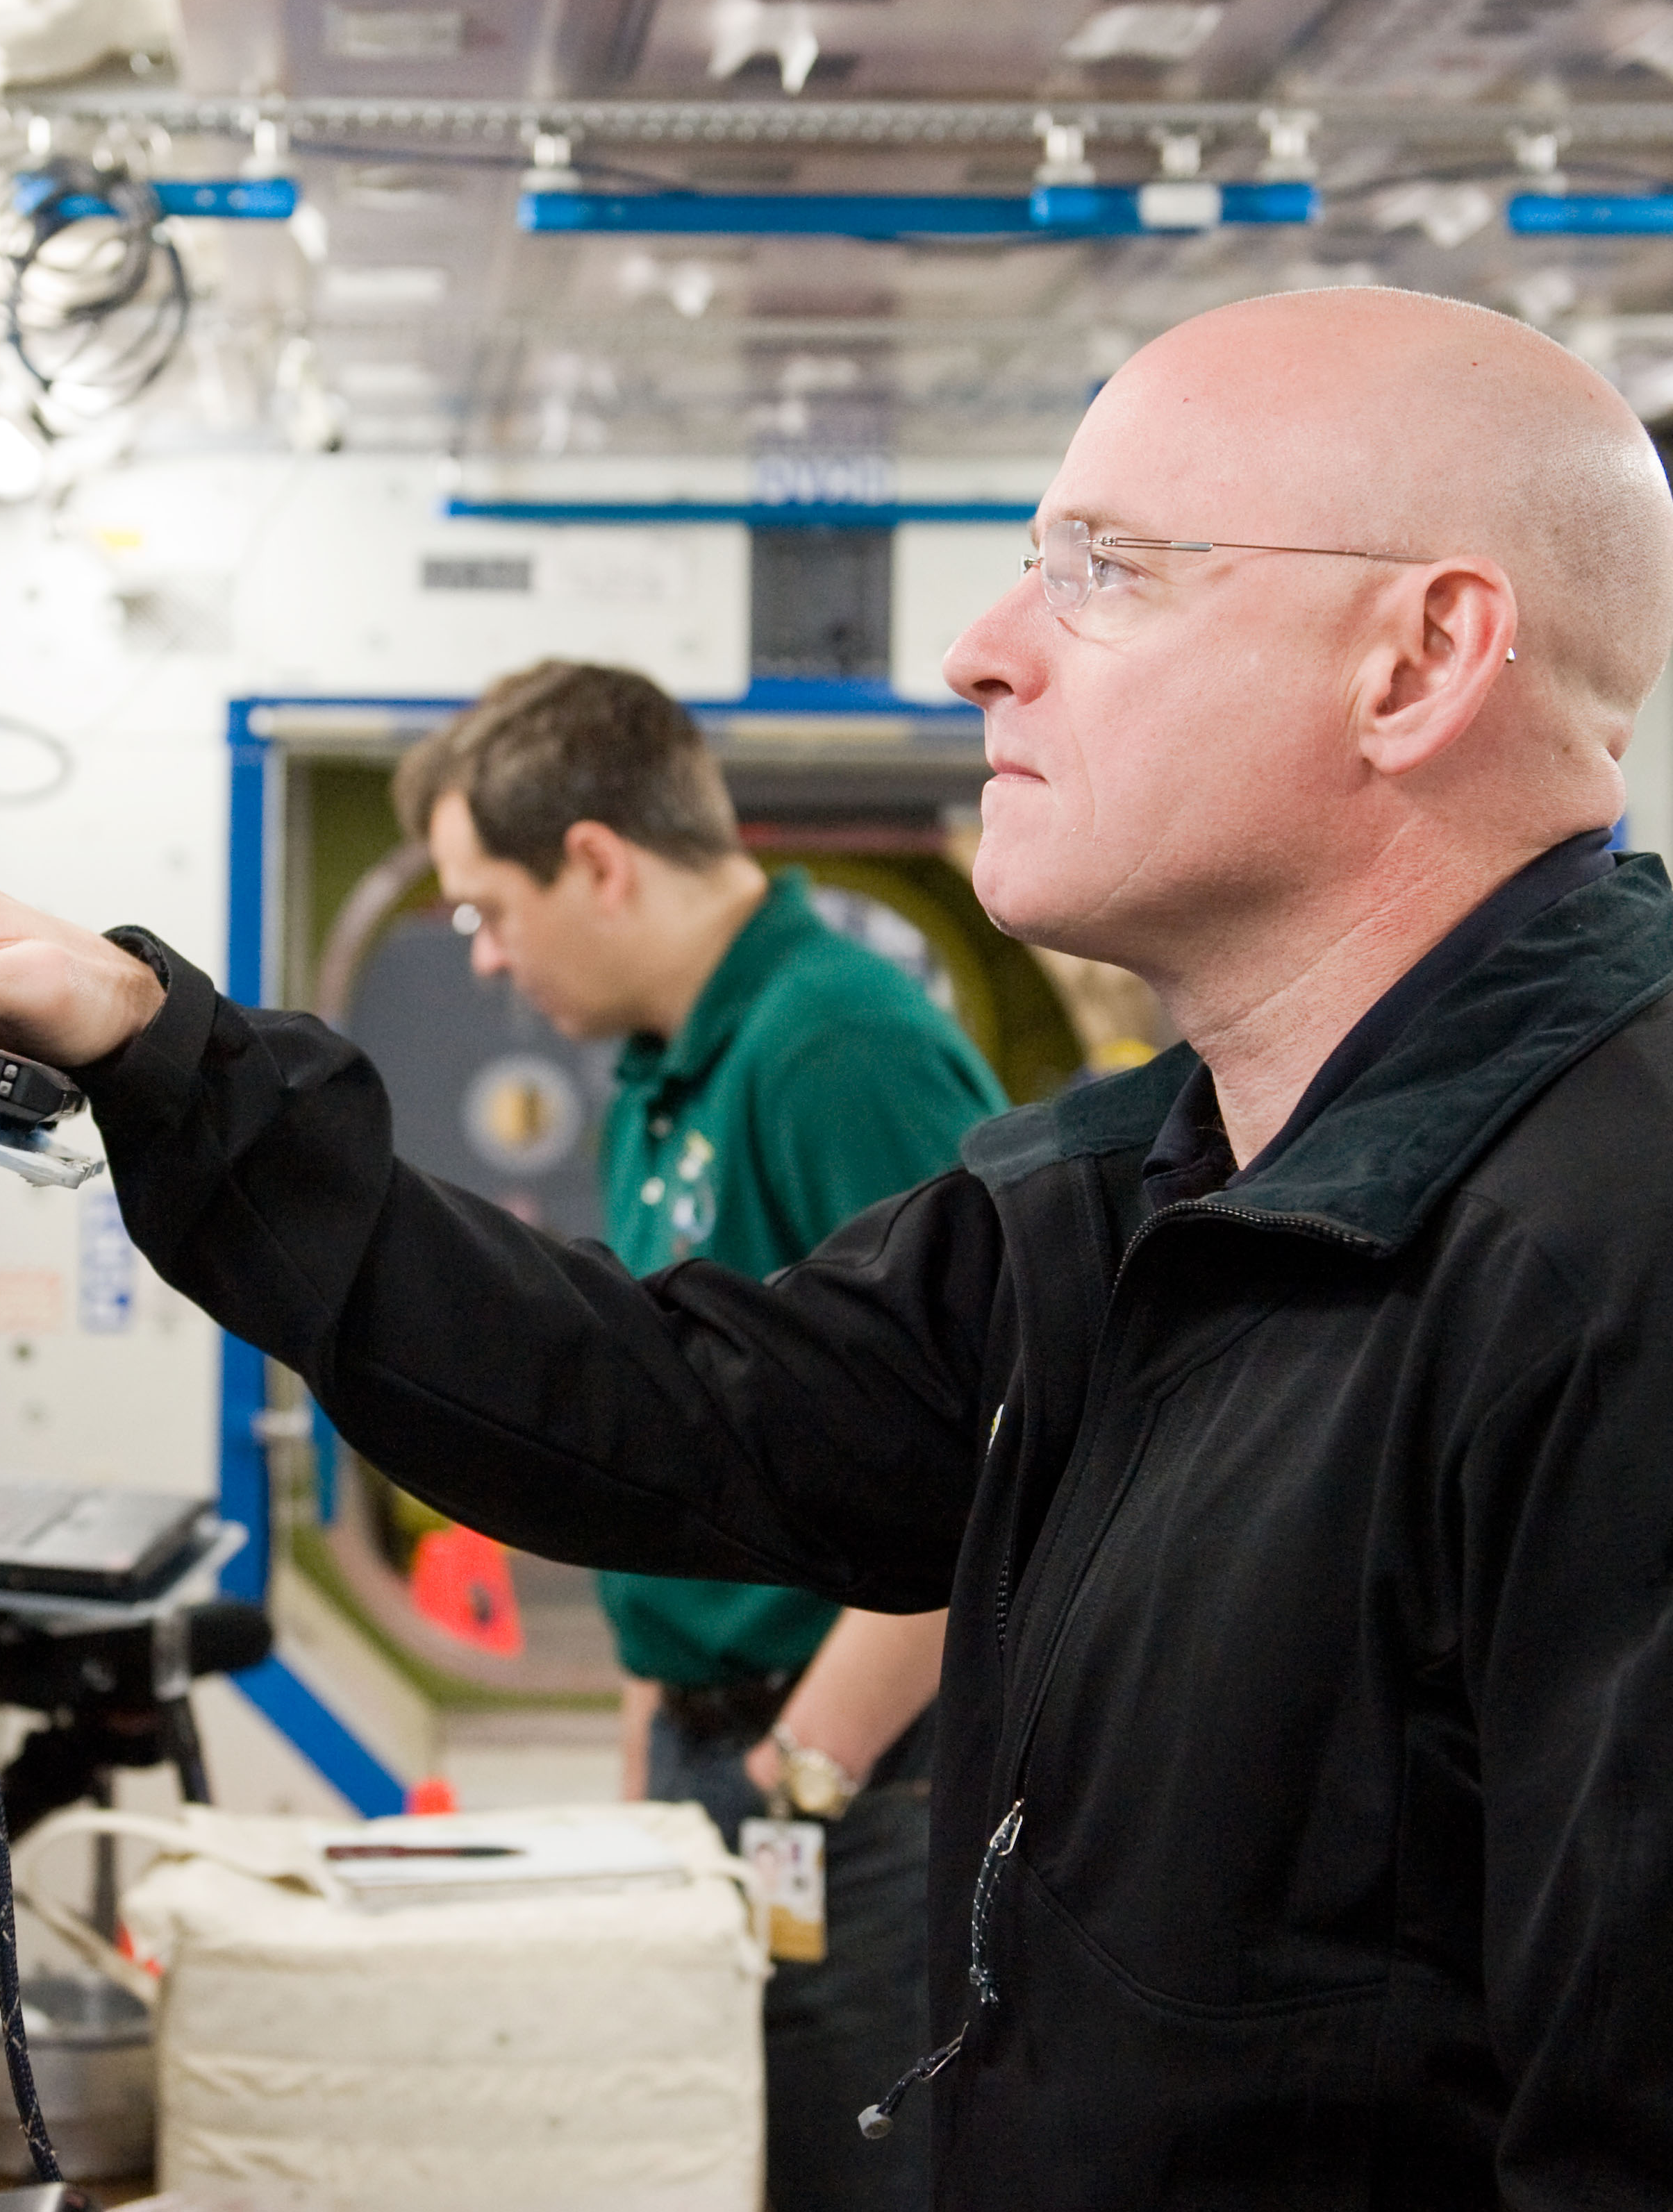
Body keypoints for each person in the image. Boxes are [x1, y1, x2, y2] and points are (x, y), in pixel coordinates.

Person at [0, 286, 1673, 2209]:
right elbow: (662, 1408)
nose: (982, 649)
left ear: (1419, 658)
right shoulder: (1150, 1199)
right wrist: (156, 1050)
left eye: (1104, 571)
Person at [389, 658, 1004, 2211]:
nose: (485, 957)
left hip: (859, 1785)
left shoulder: (835, 1049)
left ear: (596, 861)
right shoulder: (662, 1080)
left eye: (488, 910)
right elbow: (678, 1456)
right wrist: (655, 1757)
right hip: (716, 1752)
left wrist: (806, 1770)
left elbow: (993, 1445)